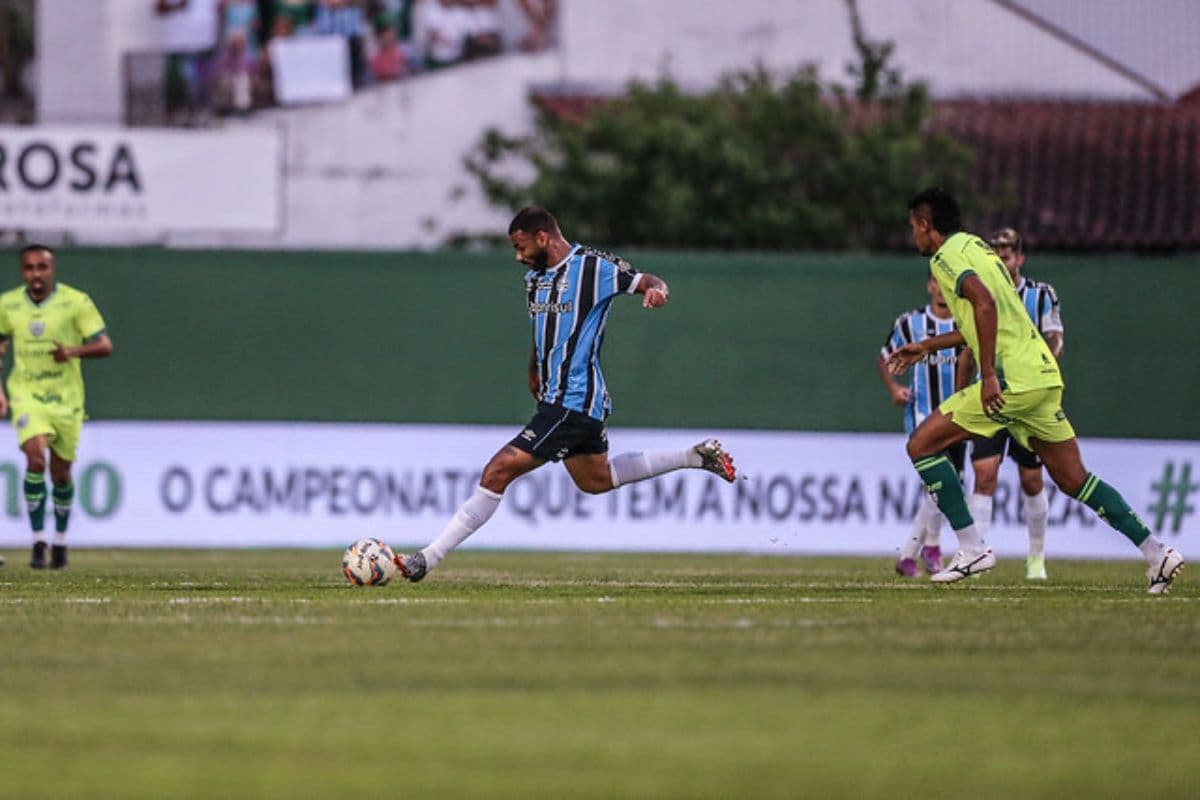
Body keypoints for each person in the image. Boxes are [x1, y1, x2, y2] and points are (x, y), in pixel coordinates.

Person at [391, 207, 737, 582]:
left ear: (543, 237)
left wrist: (657, 290)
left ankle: (427, 559)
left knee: (498, 470)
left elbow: (645, 279)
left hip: (574, 401)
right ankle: (695, 456)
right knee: (595, 480)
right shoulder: (533, 281)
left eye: (520, 246)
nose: (518, 256)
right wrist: (533, 369)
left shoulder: (593, 267)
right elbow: (543, 332)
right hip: (559, 400)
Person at [887, 188, 1183, 593]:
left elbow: (986, 306)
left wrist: (988, 374)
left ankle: (972, 547)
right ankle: (1157, 553)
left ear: (925, 225)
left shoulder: (946, 258)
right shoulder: (976, 247)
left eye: (913, 227)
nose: (913, 236)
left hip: (1011, 380)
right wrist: (928, 345)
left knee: (921, 444)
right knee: (1074, 478)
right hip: (1041, 377)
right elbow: (986, 315)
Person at [959, 227, 1064, 580]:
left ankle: (1036, 558)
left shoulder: (1040, 295)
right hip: (990, 394)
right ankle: (975, 556)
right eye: (996, 255)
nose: (1001, 260)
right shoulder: (979, 294)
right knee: (984, 474)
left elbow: (1055, 338)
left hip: (1028, 395)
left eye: (1006, 255)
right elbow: (968, 346)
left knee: (1031, 479)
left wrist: (1037, 371)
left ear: (1019, 258)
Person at [0, 246, 113, 569]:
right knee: (35, 457)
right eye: (30, 268)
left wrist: (73, 352)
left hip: (66, 400)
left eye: (42, 268)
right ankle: (38, 541)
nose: (36, 274)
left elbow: (104, 344)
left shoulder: (75, 302)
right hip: (27, 394)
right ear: (23, 272)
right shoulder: (8, 305)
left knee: (60, 474)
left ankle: (60, 541)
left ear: (52, 270)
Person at [877, 272, 966, 577]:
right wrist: (894, 389)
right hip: (922, 413)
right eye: (936, 284)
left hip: (959, 414)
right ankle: (928, 548)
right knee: (939, 481)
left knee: (947, 484)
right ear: (929, 286)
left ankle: (915, 552)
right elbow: (884, 357)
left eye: (947, 285)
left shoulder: (966, 323)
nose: (941, 291)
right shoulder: (910, 323)